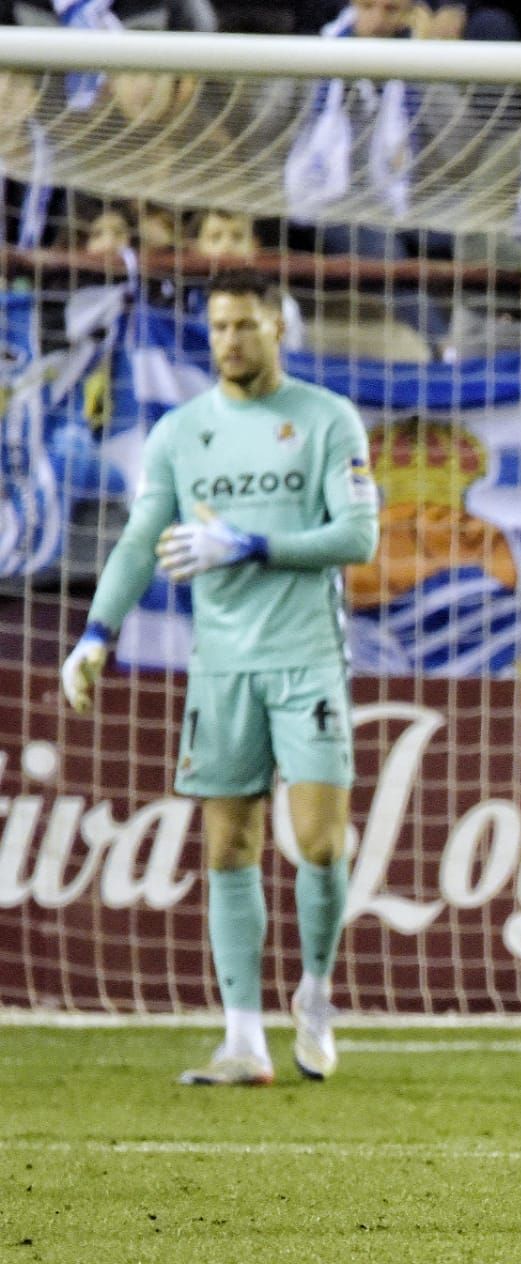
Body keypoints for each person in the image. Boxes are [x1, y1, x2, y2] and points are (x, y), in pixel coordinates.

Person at [57, 268, 378, 1086]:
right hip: (221, 666)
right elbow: (140, 540)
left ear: (278, 327)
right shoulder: (180, 431)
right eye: (218, 327)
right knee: (229, 845)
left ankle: (315, 992)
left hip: (306, 657)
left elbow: (357, 537)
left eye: (244, 325)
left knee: (320, 843)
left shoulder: (325, 419)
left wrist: (251, 545)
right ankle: (243, 1040)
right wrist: (96, 633)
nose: (228, 341)